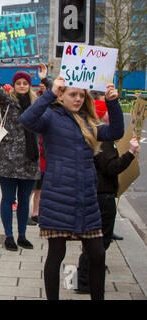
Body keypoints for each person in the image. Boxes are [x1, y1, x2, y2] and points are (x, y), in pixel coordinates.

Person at [19, 77, 124, 300]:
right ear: (62, 95)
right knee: (56, 254)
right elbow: (27, 119)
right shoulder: (49, 117)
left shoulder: (88, 121)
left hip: (86, 196)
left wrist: (113, 103)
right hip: (58, 196)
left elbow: (116, 132)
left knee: (97, 253)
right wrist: (50, 93)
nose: (78, 99)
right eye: (72, 94)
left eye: (81, 95)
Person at [76, 91, 139, 294]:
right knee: (98, 240)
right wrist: (129, 154)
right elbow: (111, 168)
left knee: (94, 240)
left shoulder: (98, 134)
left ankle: (87, 274)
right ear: (102, 115)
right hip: (102, 195)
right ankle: (85, 278)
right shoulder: (102, 138)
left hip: (98, 192)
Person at [0, 52, 40, 251]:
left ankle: (22, 234)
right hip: (9, 161)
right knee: (8, 199)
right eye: (19, 83)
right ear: (14, 85)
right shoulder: (7, 101)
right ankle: (8, 236)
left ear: (29, 86)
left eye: (25, 83)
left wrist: (46, 79)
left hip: (29, 160)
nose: (22, 85)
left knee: (24, 202)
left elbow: (55, 99)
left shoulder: (37, 105)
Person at [28, 63, 52, 226]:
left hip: (45, 155)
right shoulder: (35, 102)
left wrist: (46, 78)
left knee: (40, 188)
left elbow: (54, 94)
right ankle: (25, 211)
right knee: (30, 187)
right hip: (34, 152)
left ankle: (36, 212)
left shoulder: (50, 104)